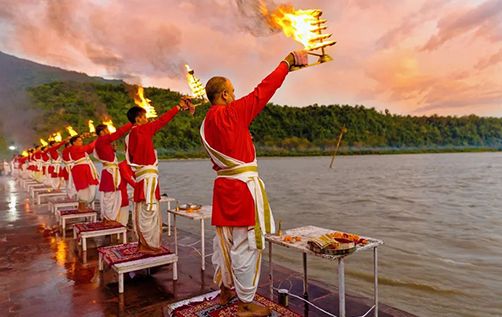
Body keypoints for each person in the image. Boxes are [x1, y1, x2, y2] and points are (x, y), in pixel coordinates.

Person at [200, 51, 308, 316]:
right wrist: (286, 62)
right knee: (246, 245)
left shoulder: (205, 123)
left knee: (223, 242)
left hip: (222, 188)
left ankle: (226, 290)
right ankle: (246, 302)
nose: (236, 96)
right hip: (242, 190)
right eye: (232, 91)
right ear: (224, 95)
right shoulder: (232, 113)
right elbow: (264, 90)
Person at [125, 98, 193, 253]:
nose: (147, 118)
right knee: (150, 211)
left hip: (143, 178)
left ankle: (144, 244)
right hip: (147, 179)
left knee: (144, 210)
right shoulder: (141, 130)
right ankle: (149, 246)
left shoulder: (131, 135)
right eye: (144, 116)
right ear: (138, 119)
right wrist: (178, 107)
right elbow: (163, 120)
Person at [94, 122, 132, 222]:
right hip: (109, 172)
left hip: (109, 171)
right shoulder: (102, 139)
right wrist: (131, 123)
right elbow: (119, 132)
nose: (108, 132)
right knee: (110, 196)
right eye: (106, 130)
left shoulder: (100, 141)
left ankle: (109, 218)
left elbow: (106, 155)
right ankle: (109, 219)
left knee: (111, 196)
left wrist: (113, 150)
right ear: (102, 132)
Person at [68, 133, 99, 211]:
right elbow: (89, 146)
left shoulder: (80, 149)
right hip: (80, 170)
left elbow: (90, 149)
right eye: (79, 141)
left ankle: (82, 206)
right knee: (83, 188)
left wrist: (97, 141)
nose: (81, 142)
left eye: (81, 141)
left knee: (87, 187)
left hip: (83, 169)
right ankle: (81, 207)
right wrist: (99, 138)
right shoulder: (74, 148)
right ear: (74, 142)